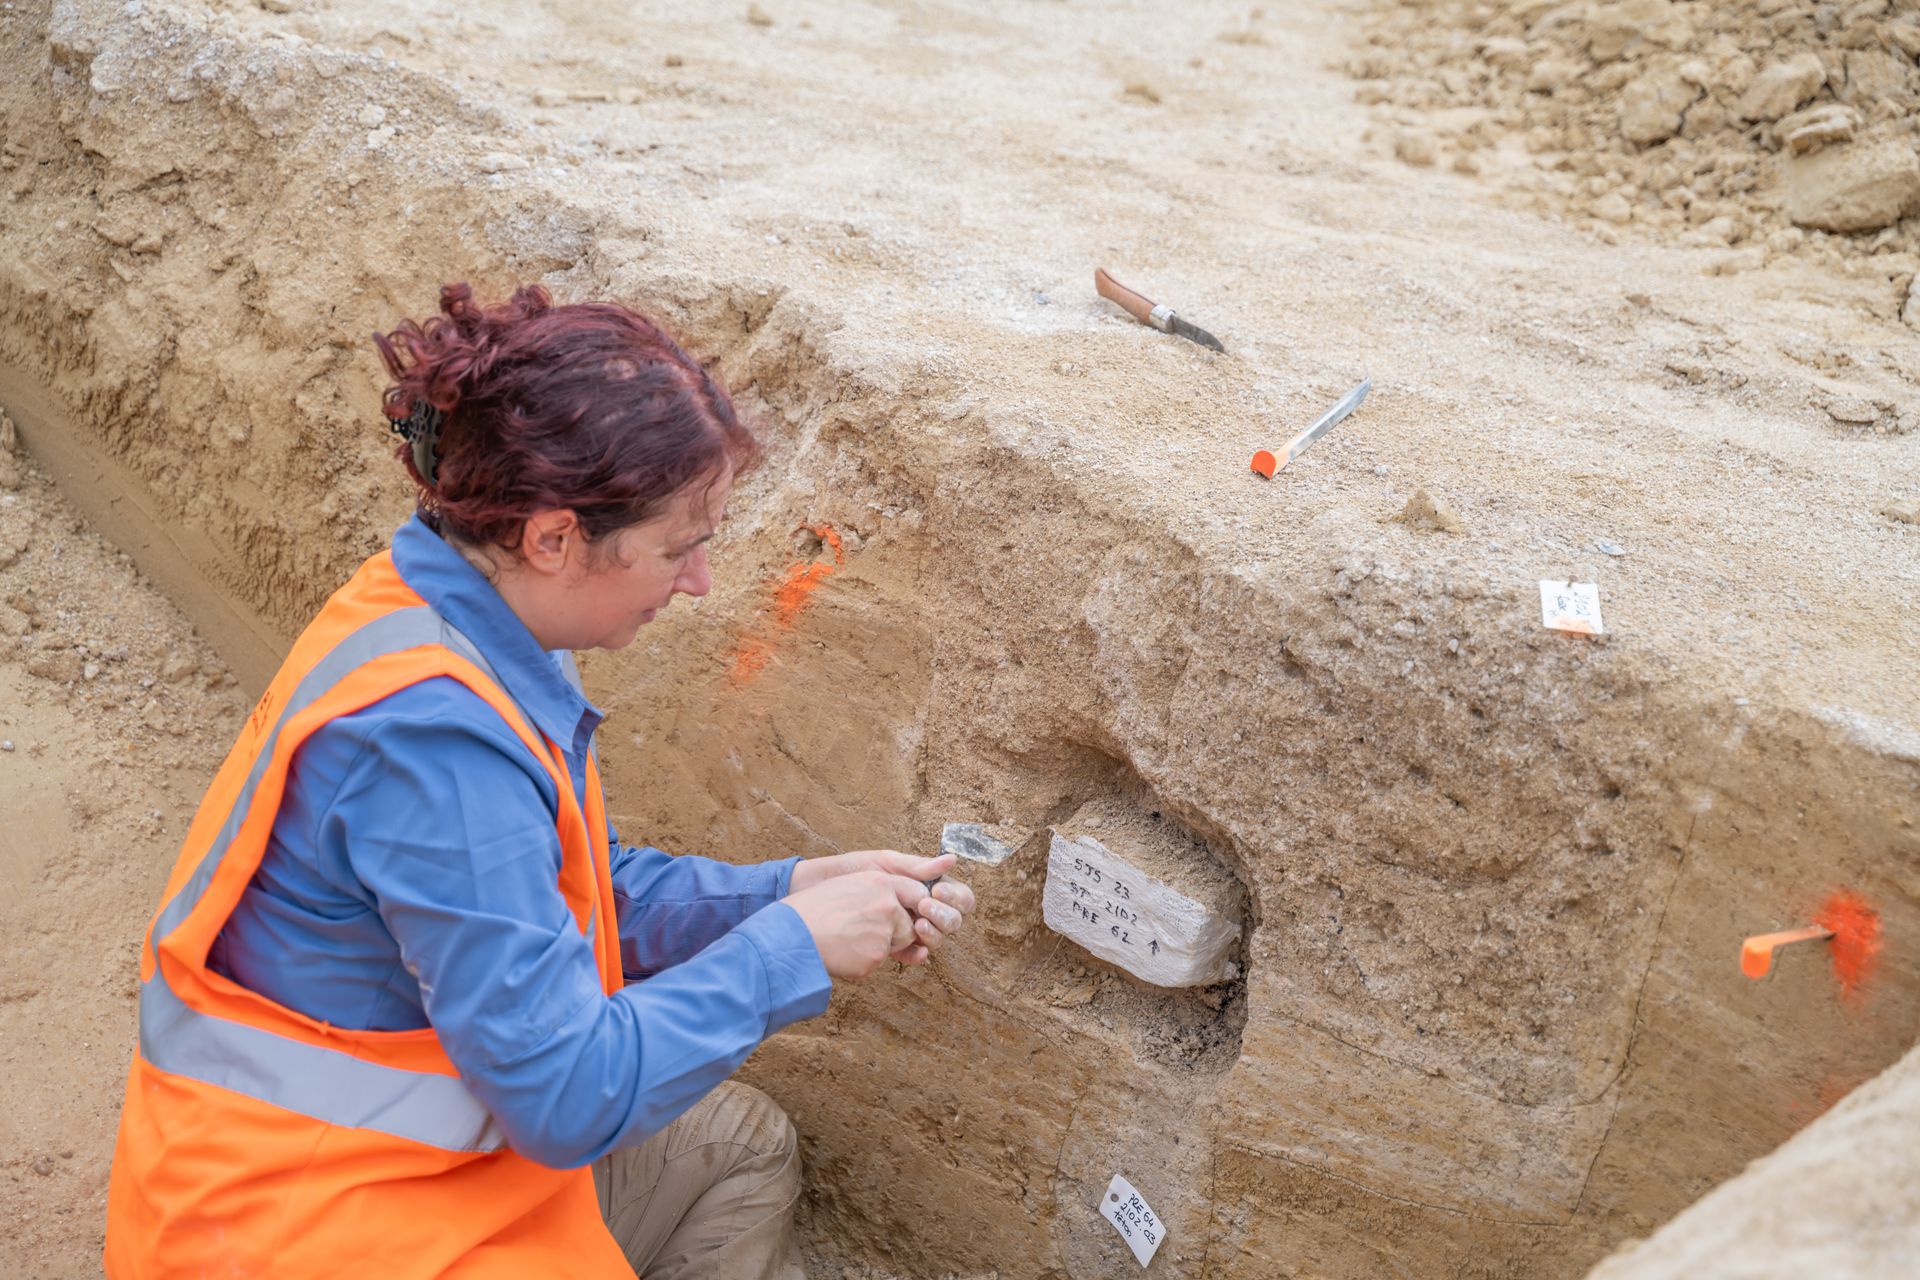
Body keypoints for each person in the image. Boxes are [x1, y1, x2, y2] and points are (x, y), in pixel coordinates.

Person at [103, 282, 974, 1279]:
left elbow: (556, 884)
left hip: (367, 1166)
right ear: (555, 537)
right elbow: (566, 1097)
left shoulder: (455, 603)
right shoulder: (433, 744)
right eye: (679, 549)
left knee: (734, 1144)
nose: (697, 584)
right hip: (314, 1231)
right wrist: (788, 952)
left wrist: (779, 892)